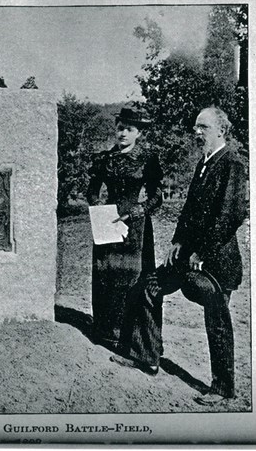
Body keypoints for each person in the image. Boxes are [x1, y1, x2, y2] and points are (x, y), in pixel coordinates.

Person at [110, 107, 247, 406]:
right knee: (148, 286)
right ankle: (147, 356)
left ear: (221, 130)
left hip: (216, 262)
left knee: (218, 321)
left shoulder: (232, 164)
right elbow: (190, 212)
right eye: (196, 127)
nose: (197, 133)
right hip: (187, 255)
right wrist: (177, 241)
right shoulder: (204, 163)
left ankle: (223, 387)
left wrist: (203, 251)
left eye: (204, 128)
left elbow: (231, 215)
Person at [86, 107, 163, 348]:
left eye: (129, 129)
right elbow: (91, 191)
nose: (123, 133)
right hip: (108, 222)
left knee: (133, 278)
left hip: (136, 227)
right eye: (120, 128)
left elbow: (157, 196)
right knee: (106, 275)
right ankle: (106, 332)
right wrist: (99, 208)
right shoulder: (103, 159)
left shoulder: (148, 159)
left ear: (139, 133)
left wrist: (138, 211)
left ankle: (134, 337)